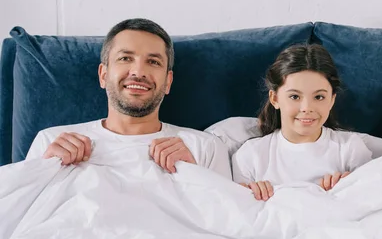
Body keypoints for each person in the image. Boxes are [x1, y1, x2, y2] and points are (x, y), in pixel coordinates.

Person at [26, 18, 231, 179]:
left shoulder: (205, 147)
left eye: (153, 61)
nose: (138, 71)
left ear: (168, 81)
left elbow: (228, 226)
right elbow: (18, 220)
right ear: (103, 75)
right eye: (125, 58)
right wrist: (45, 171)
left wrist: (194, 176)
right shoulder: (52, 142)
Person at [232, 44, 372, 200]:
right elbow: (241, 215)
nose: (306, 108)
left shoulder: (350, 149)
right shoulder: (250, 155)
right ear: (275, 98)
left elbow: (369, 205)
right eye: (294, 97)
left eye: (319, 97)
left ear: (332, 100)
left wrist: (349, 189)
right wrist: (252, 194)